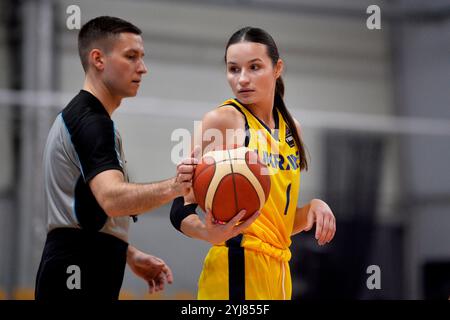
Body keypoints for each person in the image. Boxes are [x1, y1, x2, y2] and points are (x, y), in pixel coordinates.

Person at [35, 16, 198, 301]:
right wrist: (178, 185)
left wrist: (126, 252)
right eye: (131, 57)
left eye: (142, 57)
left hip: (82, 262)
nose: (143, 68)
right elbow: (112, 198)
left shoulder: (85, 118)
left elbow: (86, 212)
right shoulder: (91, 122)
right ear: (98, 59)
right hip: (77, 269)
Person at [170, 26, 336, 300]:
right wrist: (206, 232)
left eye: (254, 67)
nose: (242, 79)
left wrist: (312, 210)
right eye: (234, 69)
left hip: (279, 271)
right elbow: (179, 208)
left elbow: (274, 224)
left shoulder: (292, 128)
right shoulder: (221, 120)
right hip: (236, 266)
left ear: (277, 68)